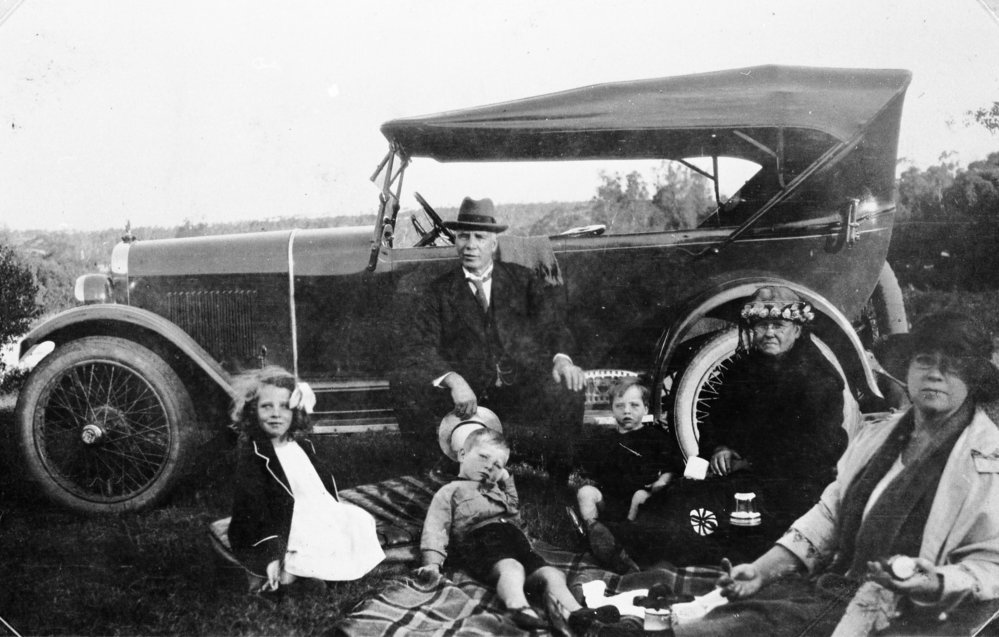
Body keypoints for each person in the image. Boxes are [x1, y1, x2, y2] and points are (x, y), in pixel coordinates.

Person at [665, 311, 999, 637]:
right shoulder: (879, 437)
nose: (936, 374)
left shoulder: (989, 460)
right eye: (925, 360)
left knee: (730, 628)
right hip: (834, 587)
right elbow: (829, 515)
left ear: (975, 378)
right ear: (909, 369)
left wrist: (935, 581)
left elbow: (992, 565)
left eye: (954, 364)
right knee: (711, 609)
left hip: (901, 615)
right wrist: (759, 572)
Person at [392, 196, 586, 480]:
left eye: (479, 237)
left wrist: (562, 360)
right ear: (455, 242)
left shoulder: (523, 280)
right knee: (403, 379)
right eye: (463, 237)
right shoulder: (439, 292)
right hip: (465, 397)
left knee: (569, 385)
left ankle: (558, 480)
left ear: (493, 244)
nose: (470, 245)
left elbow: (553, 325)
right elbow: (419, 347)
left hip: (520, 388)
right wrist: (453, 379)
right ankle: (432, 472)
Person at [419, 422, 621, 633]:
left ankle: (577, 613)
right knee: (512, 568)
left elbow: (513, 506)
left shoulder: (496, 489)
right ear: (462, 454)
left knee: (552, 573)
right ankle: (518, 607)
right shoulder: (451, 490)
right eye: (484, 457)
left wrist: (505, 479)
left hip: (514, 540)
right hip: (480, 539)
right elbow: (436, 525)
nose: (490, 466)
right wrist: (432, 562)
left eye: (498, 465)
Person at [695, 285, 847, 542]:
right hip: (742, 477)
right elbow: (715, 420)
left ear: (797, 330)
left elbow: (817, 449)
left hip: (792, 486)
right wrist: (719, 447)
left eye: (778, 326)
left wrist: (748, 463)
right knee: (683, 497)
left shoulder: (818, 378)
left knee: (703, 515)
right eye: (761, 326)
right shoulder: (741, 369)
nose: (768, 334)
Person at [228, 366, 385, 593]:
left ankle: (322, 573)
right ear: (252, 411)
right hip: (277, 519)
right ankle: (287, 578)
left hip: (312, 510)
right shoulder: (254, 454)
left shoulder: (300, 445)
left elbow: (319, 487)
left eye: (284, 406)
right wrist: (270, 553)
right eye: (266, 407)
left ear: (296, 411)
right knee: (309, 534)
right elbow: (253, 506)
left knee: (357, 520)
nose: (276, 413)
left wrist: (332, 510)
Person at [574, 377, 681, 572]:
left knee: (639, 496)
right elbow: (594, 469)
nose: (627, 411)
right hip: (612, 499)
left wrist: (661, 481)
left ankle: (624, 546)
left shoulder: (654, 437)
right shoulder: (607, 439)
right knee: (585, 493)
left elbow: (670, 467)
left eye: (634, 405)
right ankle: (594, 534)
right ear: (612, 409)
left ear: (646, 408)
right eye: (620, 406)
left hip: (642, 502)